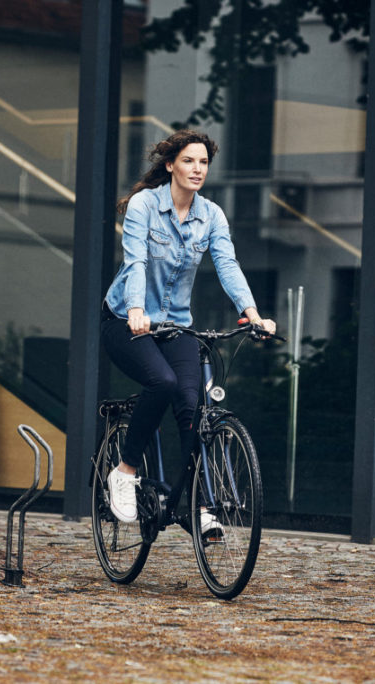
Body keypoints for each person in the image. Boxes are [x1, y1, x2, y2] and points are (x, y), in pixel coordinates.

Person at [101, 129, 277, 531]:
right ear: (170, 165)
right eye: (189, 161)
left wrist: (251, 312)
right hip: (125, 321)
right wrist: (135, 308)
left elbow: (228, 266)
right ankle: (125, 472)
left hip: (176, 325)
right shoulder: (145, 205)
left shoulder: (211, 215)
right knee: (161, 382)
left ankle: (199, 506)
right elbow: (136, 262)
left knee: (191, 406)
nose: (197, 169)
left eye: (203, 163)